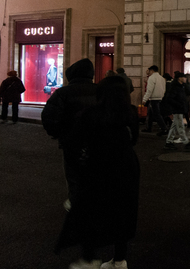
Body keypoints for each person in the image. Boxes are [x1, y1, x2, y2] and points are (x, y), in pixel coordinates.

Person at [54, 76, 140, 269]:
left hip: (98, 166)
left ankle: (89, 258)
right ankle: (119, 260)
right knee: (122, 211)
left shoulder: (91, 114)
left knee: (90, 211)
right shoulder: (131, 113)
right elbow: (134, 139)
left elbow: (73, 143)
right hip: (127, 166)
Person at [42, 58, 98, 212]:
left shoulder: (64, 93)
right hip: (97, 140)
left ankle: (76, 203)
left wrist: (59, 134)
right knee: (94, 171)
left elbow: (49, 118)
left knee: (73, 173)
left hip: (72, 141)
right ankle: (93, 202)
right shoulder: (100, 90)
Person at [163, 72, 190, 150]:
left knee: (174, 126)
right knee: (180, 126)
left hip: (179, 108)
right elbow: (170, 99)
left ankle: (169, 141)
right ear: (179, 78)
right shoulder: (175, 87)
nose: (185, 79)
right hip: (177, 109)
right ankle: (186, 142)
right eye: (184, 77)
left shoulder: (181, 86)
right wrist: (179, 105)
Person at [142, 65, 168, 136]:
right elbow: (164, 89)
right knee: (150, 114)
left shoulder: (151, 78)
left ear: (152, 70)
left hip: (153, 98)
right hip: (159, 98)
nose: (149, 72)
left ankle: (164, 128)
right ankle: (149, 128)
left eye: (149, 71)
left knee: (156, 114)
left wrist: (145, 99)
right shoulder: (161, 78)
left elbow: (149, 90)